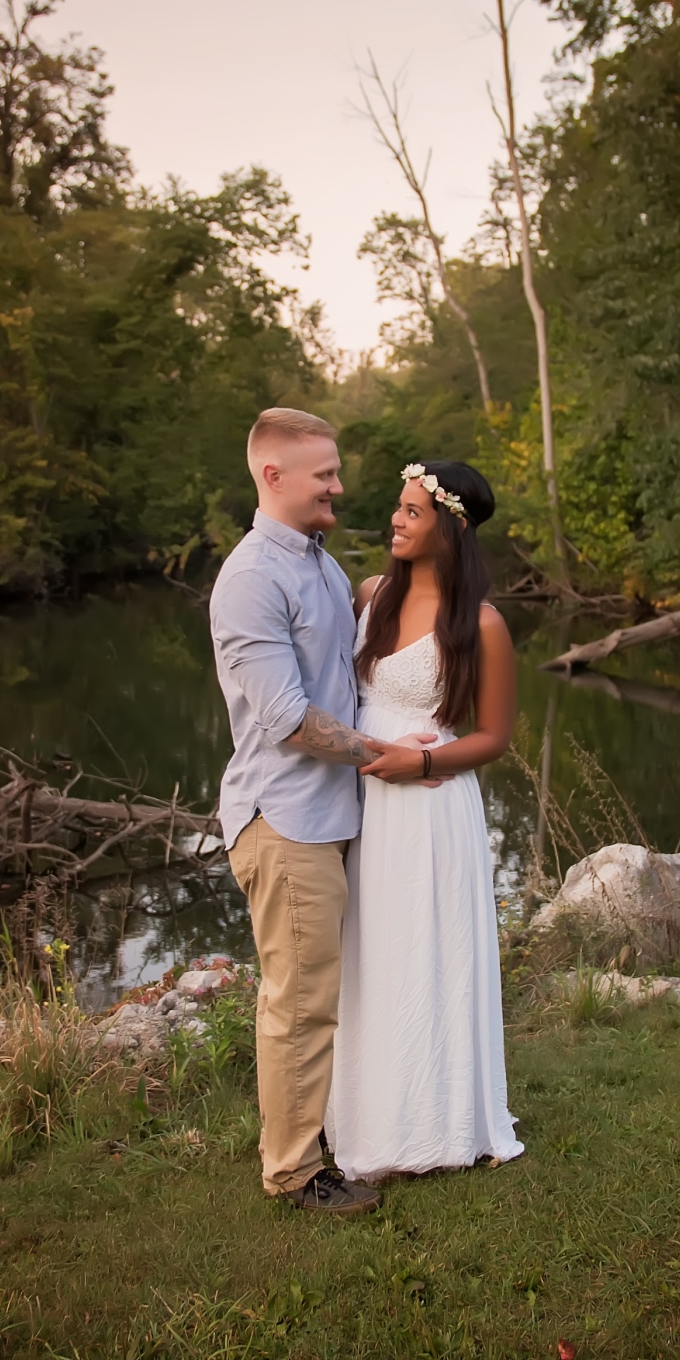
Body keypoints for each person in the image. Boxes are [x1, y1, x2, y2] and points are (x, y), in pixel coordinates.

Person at [325, 459, 524, 1178]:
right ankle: (363, 1115)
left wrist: (426, 763)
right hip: (364, 799)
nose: (396, 521)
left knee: (425, 954)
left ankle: (435, 1122)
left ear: (451, 527)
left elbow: (493, 736)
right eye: (399, 508)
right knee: (370, 952)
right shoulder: (370, 595)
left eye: (412, 511)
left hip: (432, 807)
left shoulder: (481, 623)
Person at [209, 407, 383, 1217]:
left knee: (325, 990)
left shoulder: (318, 561)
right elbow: (290, 719)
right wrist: (391, 758)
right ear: (273, 476)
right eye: (325, 475)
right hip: (287, 819)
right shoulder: (252, 577)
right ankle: (292, 1171)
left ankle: (333, 1133)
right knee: (299, 999)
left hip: (332, 812)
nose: (339, 486)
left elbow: (341, 666)